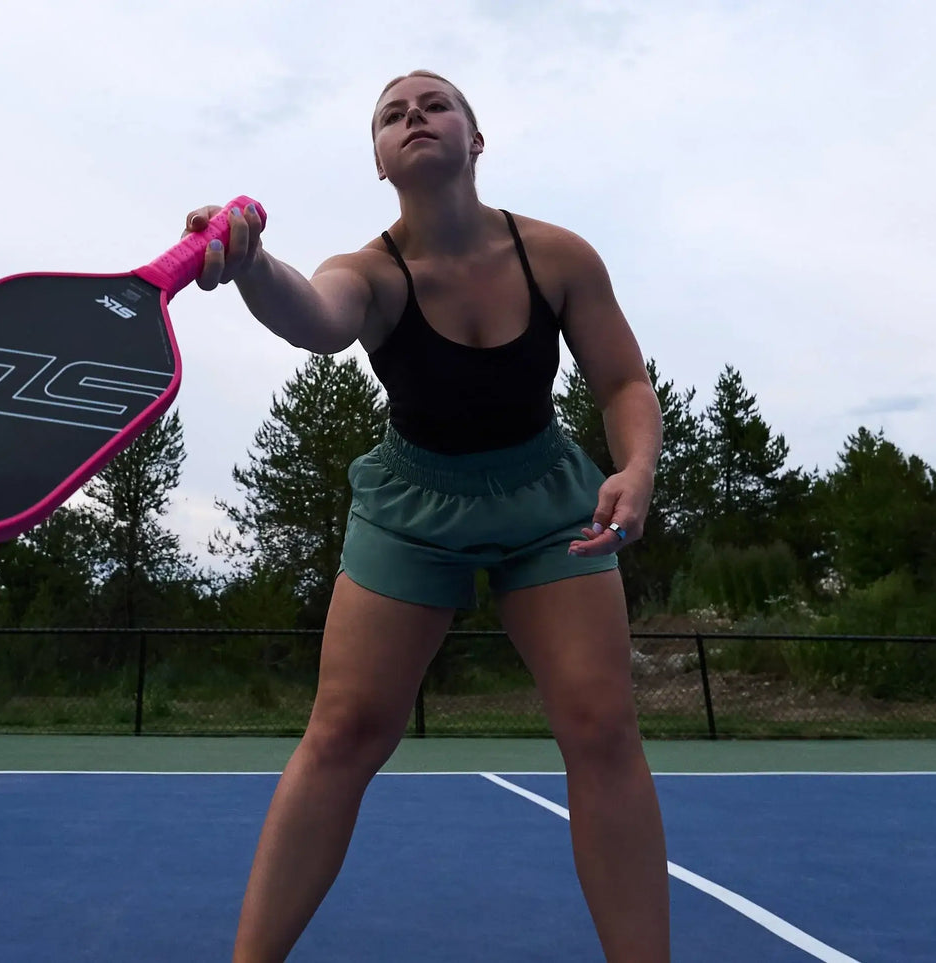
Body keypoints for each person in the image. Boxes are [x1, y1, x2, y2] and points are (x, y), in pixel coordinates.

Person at [183, 69, 670, 963]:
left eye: (434, 104)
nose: (412, 117)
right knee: (345, 732)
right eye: (390, 115)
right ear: (378, 160)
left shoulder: (558, 256)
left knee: (601, 727)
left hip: (545, 502)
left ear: (474, 140)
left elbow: (622, 382)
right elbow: (316, 319)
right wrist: (251, 264)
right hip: (411, 506)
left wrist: (635, 467)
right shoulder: (368, 272)